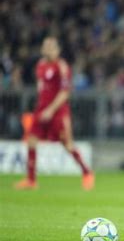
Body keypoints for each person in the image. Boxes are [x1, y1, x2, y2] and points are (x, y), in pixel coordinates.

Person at [14, 37, 95, 190]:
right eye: (46, 46)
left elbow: (65, 92)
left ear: (57, 50)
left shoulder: (62, 66)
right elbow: (42, 89)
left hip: (58, 112)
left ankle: (87, 172)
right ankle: (31, 180)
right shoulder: (40, 65)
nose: (48, 49)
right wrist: (40, 107)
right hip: (41, 110)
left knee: (67, 144)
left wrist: (51, 110)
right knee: (31, 140)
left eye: (51, 47)